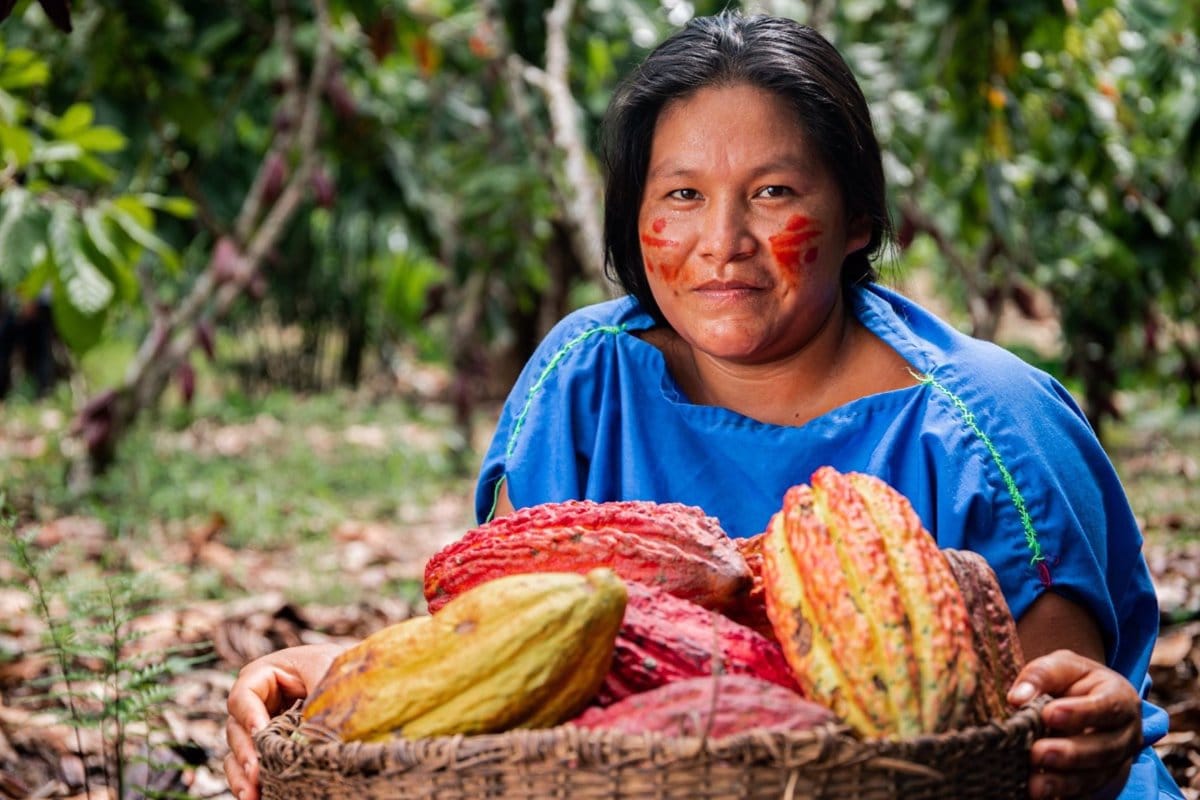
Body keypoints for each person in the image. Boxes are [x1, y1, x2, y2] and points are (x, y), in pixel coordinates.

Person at [224, 12, 1183, 800]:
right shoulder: (585, 382)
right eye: (680, 193)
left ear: (857, 220)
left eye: (772, 193)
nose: (721, 241)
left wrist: (1083, 729)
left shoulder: (990, 425)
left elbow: (1049, 723)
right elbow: (505, 658)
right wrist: (334, 675)